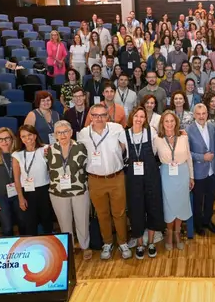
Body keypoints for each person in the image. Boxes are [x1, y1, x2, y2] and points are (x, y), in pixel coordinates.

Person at [78, 103, 132, 260]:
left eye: (102, 115)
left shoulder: (116, 128)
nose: (99, 118)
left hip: (116, 178)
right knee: (102, 214)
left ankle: (122, 242)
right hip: (95, 180)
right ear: (90, 117)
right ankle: (107, 243)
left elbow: (126, 145)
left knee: (119, 212)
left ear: (107, 116)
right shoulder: (83, 133)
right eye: (95, 115)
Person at [46, 120, 91, 259]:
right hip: (58, 192)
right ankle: (69, 247)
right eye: (59, 133)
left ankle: (85, 246)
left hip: (79, 191)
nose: (63, 135)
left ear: (71, 132)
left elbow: (88, 166)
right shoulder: (49, 150)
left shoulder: (81, 147)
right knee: (64, 222)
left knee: (82, 220)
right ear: (55, 135)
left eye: (65, 131)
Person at [124, 108, 164, 259]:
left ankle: (151, 242)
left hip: (151, 176)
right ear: (132, 117)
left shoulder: (150, 132)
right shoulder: (124, 134)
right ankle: (140, 244)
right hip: (134, 179)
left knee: (153, 207)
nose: (139, 119)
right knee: (136, 210)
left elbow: (157, 149)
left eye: (142, 116)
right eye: (136, 116)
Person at [155, 111, 195, 250]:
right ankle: (169, 234)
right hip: (166, 174)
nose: (169, 124)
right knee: (169, 205)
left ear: (176, 122)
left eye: (172, 121)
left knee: (181, 204)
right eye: (166, 121)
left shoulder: (183, 137)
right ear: (162, 123)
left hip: (182, 173)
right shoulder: (157, 139)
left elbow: (189, 157)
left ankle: (177, 233)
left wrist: (191, 176)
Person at [12, 125, 53, 235]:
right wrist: (20, 197)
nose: (27, 138)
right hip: (27, 192)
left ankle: (49, 243)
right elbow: (16, 179)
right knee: (30, 223)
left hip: (45, 190)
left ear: (35, 136)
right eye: (23, 136)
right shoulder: (17, 155)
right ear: (20, 138)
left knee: (47, 221)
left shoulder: (45, 149)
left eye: (29, 135)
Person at [187, 103, 215, 235]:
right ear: (194, 115)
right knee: (198, 200)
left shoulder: (212, 126)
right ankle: (198, 225)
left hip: (212, 170)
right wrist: (202, 157)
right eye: (198, 114)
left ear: (207, 114)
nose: (201, 116)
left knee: (210, 198)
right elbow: (187, 153)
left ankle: (207, 221)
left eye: (204, 113)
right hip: (198, 171)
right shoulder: (189, 130)